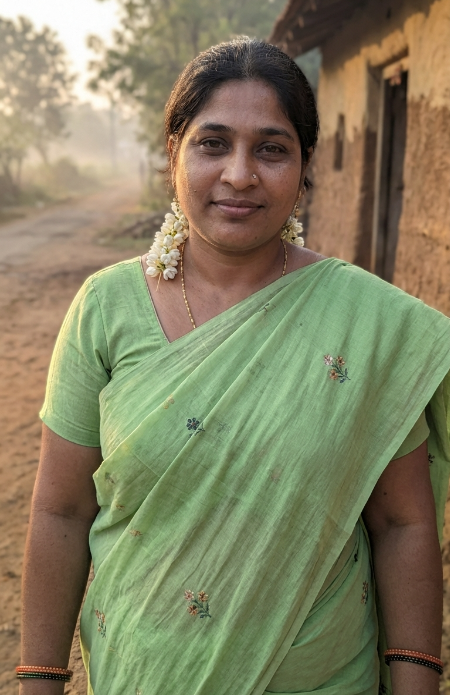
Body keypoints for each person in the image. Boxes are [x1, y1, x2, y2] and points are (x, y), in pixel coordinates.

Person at [21, 38, 450, 695]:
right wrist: (40, 678)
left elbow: (403, 524)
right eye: (213, 143)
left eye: (272, 149)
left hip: (324, 679)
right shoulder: (106, 309)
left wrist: (416, 683)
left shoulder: (365, 323)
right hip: (144, 673)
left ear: (306, 167)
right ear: (174, 154)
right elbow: (59, 511)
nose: (241, 174)